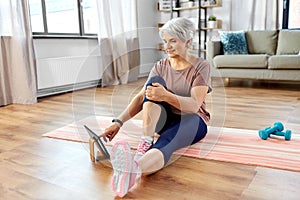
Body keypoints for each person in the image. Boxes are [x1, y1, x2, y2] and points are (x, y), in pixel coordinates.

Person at [100, 17, 212, 198]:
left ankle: (133, 172)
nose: (167, 46)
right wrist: (118, 122)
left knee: (167, 142)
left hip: (192, 120)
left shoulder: (201, 66)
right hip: (164, 119)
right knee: (154, 84)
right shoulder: (160, 66)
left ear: (188, 41)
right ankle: (146, 139)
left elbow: (194, 105)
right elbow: (141, 97)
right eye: (165, 41)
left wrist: (166, 95)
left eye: (173, 41)